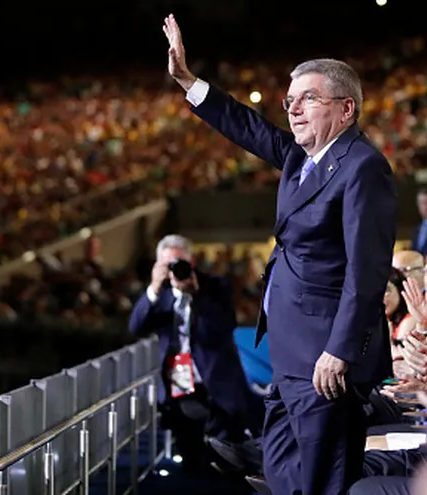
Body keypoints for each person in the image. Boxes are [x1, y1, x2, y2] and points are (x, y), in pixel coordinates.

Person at [162, 14, 397, 494]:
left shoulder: (363, 167)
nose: (293, 109)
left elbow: (367, 271)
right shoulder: (299, 157)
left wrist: (340, 350)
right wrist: (188, 81)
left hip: (323, 356)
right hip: (289, 348)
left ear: (346, 109)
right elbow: (246, 126)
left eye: (308, 98)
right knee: (282, 469)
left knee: (321, 479)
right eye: (290, 100)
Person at [128, 235, 260, 474]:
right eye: (168, 265)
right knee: (191, 455)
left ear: (192, 262)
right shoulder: (160, 293)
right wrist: (153, 289)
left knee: (226, 454)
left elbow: (225, 324)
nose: (175, 270)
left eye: (180, 263)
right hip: (179, 382)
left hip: (217, 379)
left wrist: (196, 294)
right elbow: (136, 327)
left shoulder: (214, 285)